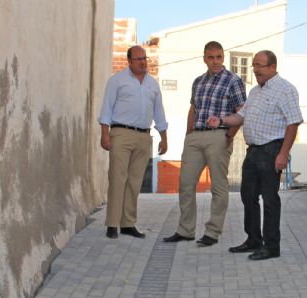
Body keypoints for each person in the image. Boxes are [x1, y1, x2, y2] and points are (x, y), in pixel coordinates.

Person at [207, 50, 303, 260]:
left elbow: (293, 122)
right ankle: (253, 239)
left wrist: (283, 154)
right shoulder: (254, 92)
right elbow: (241, 116)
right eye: (254, 65)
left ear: (272, 67)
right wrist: (221, 121)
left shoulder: (286, 90)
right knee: (248, 196)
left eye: (260, 65)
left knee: (269, 199)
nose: (255, 70)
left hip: (272, 150)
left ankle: (271, 247)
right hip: (253, 151)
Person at [163, 41, 246, 246]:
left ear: (223, 57)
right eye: (211, 57)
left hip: (219, 135)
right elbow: (193, 108)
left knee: (218, 186)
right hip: (195, 136)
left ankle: (213, 232)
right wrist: (188, 135)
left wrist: (229, 135)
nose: (215, 61)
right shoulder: (198, 81)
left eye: (219, 57)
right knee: (186, 184)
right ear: (204, 58)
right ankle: (185, 230)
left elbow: (242, 111)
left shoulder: (233, 80)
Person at [99, 45, 168, 239]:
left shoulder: (152, 84)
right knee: (117, 178)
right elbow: (106, 109)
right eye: (138, 59)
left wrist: (164, 137)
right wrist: (105, 134)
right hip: (121, 133)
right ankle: (112, 224)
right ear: (129, 61)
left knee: (135, 181)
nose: (143, 62)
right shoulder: (116, 81)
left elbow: (159, 112)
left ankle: (128, 223)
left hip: (144, 136)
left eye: (144, 58)